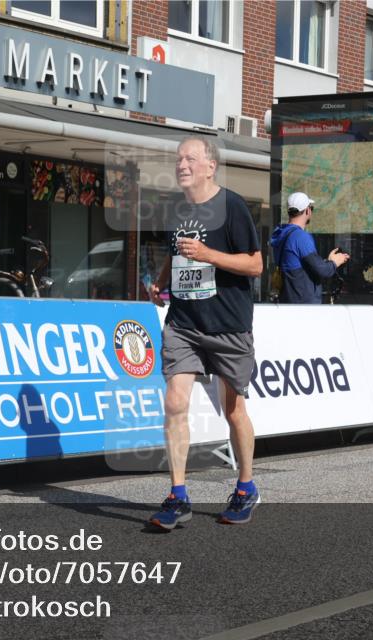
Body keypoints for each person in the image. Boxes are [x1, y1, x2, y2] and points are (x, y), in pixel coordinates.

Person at [146, 136, 263, 530]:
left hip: (227, 325)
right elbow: (176, 252)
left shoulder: (231, 206)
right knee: (175, 402)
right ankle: (178, 496)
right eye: (178, 158)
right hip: (184, 324)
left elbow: (256, 265)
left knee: (233, 410)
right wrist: (159, 283)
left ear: (210, 166)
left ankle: (245, 487)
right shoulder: (176, 208)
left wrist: (209, 255)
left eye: (190, 158)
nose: (182, 164)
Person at [269, 192, 349, 304]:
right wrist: (335, 262)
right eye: (311, 208)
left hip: (287, 302)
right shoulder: (300, 237)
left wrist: (327, 262)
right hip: (303, 307)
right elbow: (323, 271)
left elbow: (303, 265)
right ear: (307, 211)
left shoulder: (282, 234)